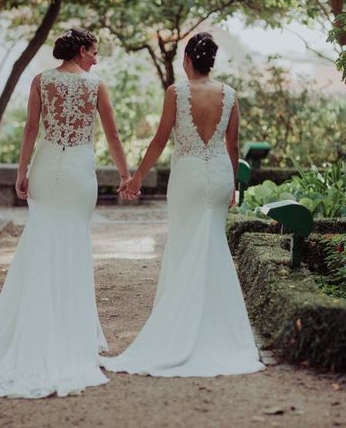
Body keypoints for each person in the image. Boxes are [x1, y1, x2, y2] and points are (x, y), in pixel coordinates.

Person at [0, 28, 132, 398]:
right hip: (78, 174)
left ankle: (36, 326)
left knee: (40, 242)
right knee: (73, 243)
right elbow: (114, 137)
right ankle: (71, 332)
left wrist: (22, 172)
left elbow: (32, 129)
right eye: (94, 52)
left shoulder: (40, 81)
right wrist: (124, 174)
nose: (96, 59)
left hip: (47, 166)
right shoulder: (95, 85)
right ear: (81, 51)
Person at [100, 32, 266, 377]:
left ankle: (179, 326)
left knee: (184, 245)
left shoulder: (177, 92)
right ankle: (217, 329)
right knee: (212, 246)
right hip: (219, 174)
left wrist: (136, 178)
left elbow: (161, 139)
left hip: (189, 175)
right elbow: (232, 145)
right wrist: (233, 184)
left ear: (188, 59)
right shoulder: (230, 95)